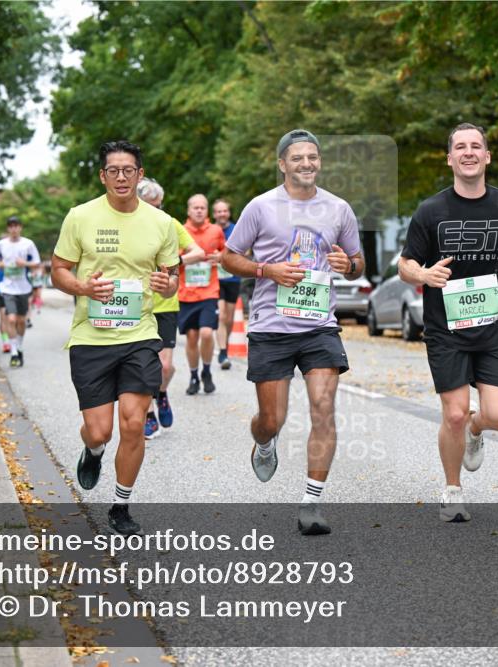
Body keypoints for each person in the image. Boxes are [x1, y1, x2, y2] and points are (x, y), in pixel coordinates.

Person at [221, 129, 364, 535]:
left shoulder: (338, 209)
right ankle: (264, 441)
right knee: (273, 418)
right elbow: (229, 258)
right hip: (272, 325)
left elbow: (357, 260)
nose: (306, 164)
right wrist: (268, 270)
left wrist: (347, 265)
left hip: (319, 325)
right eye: (297, 158)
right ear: (283, 163)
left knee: (323, 407)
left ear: (319, 162)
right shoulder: (261, 207)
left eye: (312, 157)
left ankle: (311, 503)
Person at [398, 122, 498, 523]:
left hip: (496, 327)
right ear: (450, 159)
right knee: (454, 413)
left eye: (476, 146)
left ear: (488, 156)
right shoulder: (431, 211)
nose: (469, 152)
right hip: (447, 329)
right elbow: (406, 263)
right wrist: (422, 275)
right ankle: (452, 489)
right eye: (460, 147)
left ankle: (477, 432)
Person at [51, 140, 179, 536]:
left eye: (129, 171)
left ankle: (120, 506)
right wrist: (84, 289)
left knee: (134, 422)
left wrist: (165, 283)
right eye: (113, 171)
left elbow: (172, 282)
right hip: (91, 337)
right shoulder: (80, 216)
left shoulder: (162, 223)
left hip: (140, 334)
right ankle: (93, 451)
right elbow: (58, 270)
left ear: (140, 175)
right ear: (102, 176)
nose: (121, 177)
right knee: (100, 429)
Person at [136, 177, 206, 439]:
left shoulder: (169, 224)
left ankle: (161, 394)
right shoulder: (128, 226)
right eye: (150, 205)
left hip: (166, 303)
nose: (156, 210)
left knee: (165, 368)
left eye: (159, 205)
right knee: (143, 366)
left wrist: (174, 262)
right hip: (138, 305)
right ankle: (148, 413)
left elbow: (198, 251)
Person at [178, 194, 226, 395]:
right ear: (189, 211)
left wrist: (220, 257)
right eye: (195, 207)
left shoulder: (216, 231)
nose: (199, 210)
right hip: (186, 293)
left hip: (209, 291)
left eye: (203, 207)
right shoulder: (180, 231)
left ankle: (206, 371)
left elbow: (227, 254)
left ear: (207, 211)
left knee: (206, 333)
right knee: (191, 336)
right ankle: (194, 375)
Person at [0, 217, 40, 367]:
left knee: (21, 321)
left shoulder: (28, 244)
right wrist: (1, 265)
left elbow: (36, 263)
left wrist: (24, 263)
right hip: (7, 287)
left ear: (20, 227)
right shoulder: (1, 244)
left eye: (16, 226)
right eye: (11, 226)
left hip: (23, 288)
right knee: (11, 319)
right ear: (8, 228)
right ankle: (14, 352)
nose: (13, 229)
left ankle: (19, 346)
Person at [213, 198, 241, 370]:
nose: (222, 214)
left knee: (229, 318)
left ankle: (225, 346)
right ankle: (223, 352)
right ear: (214, 214)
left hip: (233, 278)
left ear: (228, 213)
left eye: (225, 211)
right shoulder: (211, 230)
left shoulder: (237, 229)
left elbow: (246, 250)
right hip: (215, 279)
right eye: (219, 211)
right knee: (221, 315)